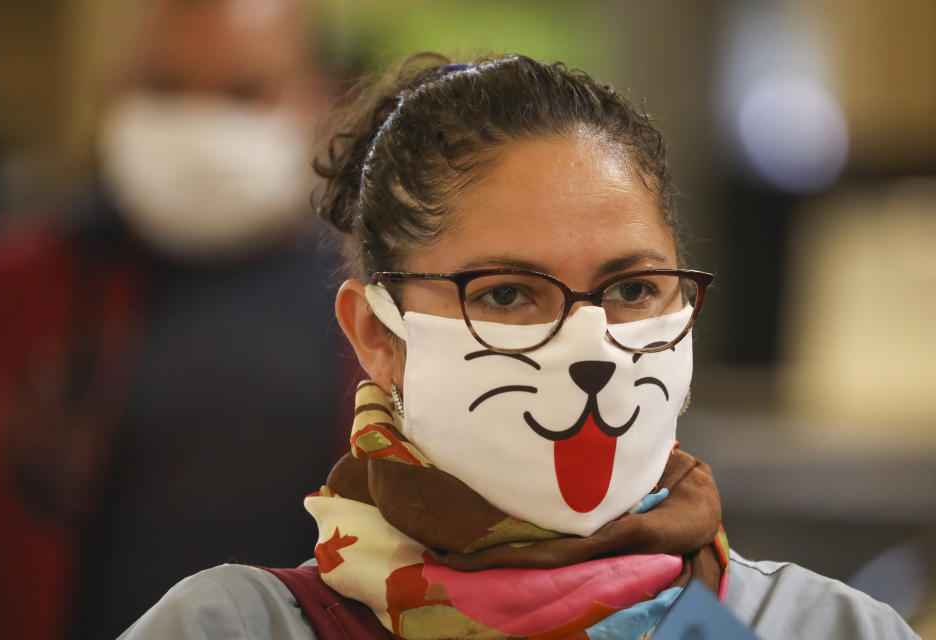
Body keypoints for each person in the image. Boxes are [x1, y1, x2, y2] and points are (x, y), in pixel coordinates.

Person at [117, 53, 920, 639]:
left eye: (633, 290)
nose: (590, 344)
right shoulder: (234, 629)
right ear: (377, 335)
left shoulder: (825, 629)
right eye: (507, 294)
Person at [0, 1, 355, 638]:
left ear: (317, 103)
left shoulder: (375, 305)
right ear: (113, 93)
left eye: (242, 92)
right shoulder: (5, 295)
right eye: (166, 87)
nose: (200, 121)